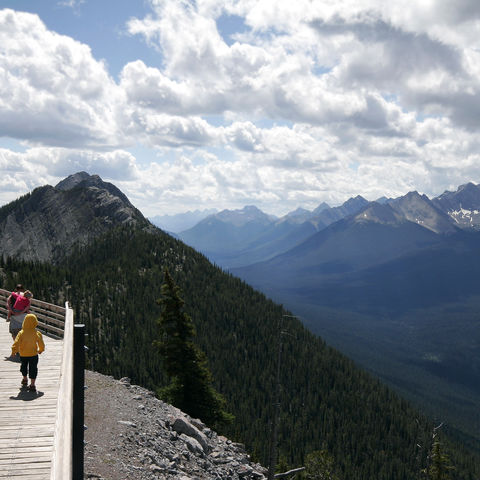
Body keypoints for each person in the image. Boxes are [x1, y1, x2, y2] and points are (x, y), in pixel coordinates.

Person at [11, 313, 45, 392]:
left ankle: (25, 379)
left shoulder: (21, 333)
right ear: (35, 322)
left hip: (23, 354)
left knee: (23, 366)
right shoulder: (37, 333)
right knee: (33, 368)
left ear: (25, 322)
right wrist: (40, 350)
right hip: (33, 354)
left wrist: (14, 351)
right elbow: (41, 343)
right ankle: (32, 385)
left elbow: (16, 342)